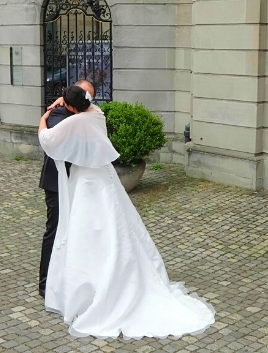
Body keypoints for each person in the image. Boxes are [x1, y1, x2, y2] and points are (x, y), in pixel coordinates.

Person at [37, 85, 215, 339]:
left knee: (85, 230)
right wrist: (66, 102)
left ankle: (88, 289)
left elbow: (46, 138)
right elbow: (84, 107)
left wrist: (45, 117)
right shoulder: (96, 114)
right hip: (105, 179)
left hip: (86, 182)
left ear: (72, 107)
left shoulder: (74, 123)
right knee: (114, 227)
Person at [37, 80, 95, 298]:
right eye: (85, 98)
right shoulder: (57, 115)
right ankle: (45, 283)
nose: (88, 103)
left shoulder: (86, 113)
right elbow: (50, 138)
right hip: (56, 183)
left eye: (90, 98)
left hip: (79, 182)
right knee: (54, 230)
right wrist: (44, 116)